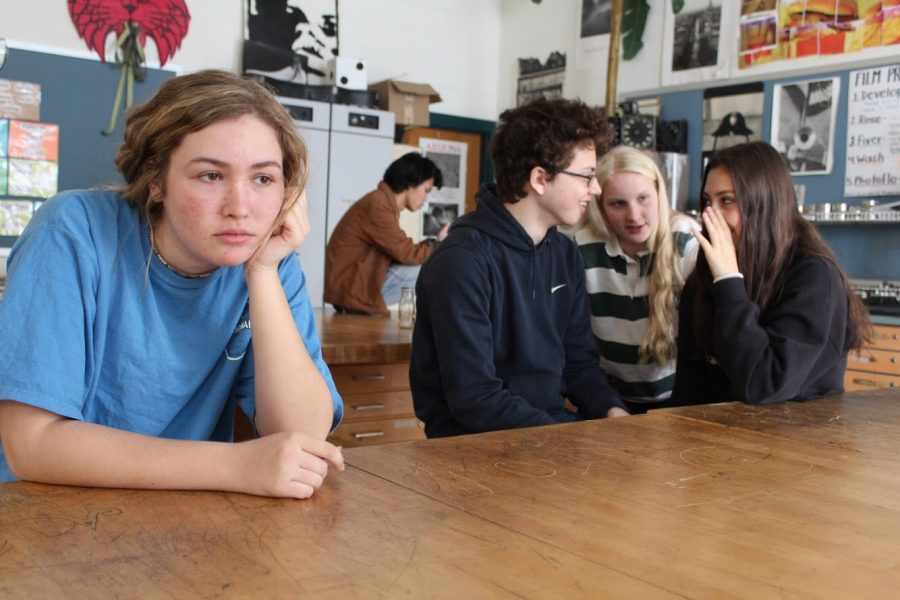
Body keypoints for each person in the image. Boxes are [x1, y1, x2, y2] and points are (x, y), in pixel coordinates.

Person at [0, 70, 345, 499]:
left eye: (263, 179)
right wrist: (236, 464)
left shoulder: (268, 261)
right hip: (47, 515)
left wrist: (262, 273)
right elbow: (30, 445)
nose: (241, 208)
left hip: (182, 519)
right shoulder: (72, 232)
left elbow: (301, 436)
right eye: (211, 176)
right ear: (156, 178)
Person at [410, 98, 629, 439]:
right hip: (471, 450)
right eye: (587, 176)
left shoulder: (566, 254)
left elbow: (579, 363)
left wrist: (612, 411)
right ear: (540, 178)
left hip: (546, 438)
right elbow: (475, 399)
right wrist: (570, 439)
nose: (596, 189)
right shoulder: (461, 262)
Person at [672, 141, 870, 406]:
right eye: (708, 202)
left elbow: (764, 384)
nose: (711, 216)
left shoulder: (814, 277)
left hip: (799, 441)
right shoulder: (703, 280)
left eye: (727, 201)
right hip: (719, 440)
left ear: (764, 204)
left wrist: (729, 282)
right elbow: (689, 390)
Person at [573, 146, 698, 413]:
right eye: (618, 203)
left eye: (643, 198)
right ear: (600, 205)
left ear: (659, 194)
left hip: (677, 402)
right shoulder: (582, 247)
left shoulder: (687, 240)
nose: (634, 215)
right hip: (608, 399)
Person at [324, 152, 446, 316]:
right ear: (410, 183)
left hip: (352, 289)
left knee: (428, 264)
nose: (425, 199)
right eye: (426, 190)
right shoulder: (378, 206)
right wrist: (443, 246)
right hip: (352, 293)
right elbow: (407, 253)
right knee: (430, 268)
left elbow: (402, 250)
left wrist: (438, 243)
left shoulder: (381, 202)